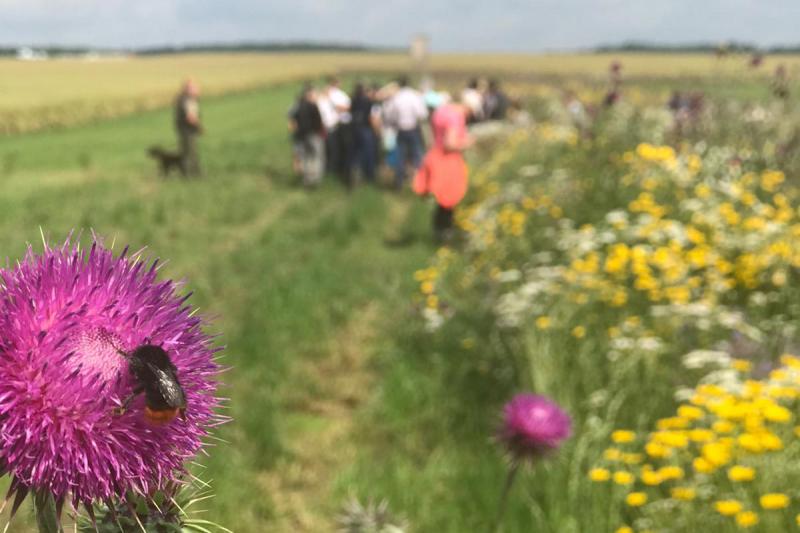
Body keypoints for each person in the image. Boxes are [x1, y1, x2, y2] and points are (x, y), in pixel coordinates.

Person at [413, 94, 474, 241]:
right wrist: (467, 143)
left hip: (435, 156)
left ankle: (438, 232)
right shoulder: (456, 117)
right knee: (449, 198)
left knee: (441, 198)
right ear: (466, 107)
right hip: (449, 161)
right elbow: (450, 143)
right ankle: (445, 234)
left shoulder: (441, 112)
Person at [384, 76, 428, 190]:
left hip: (401, 130)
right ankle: (418, 182)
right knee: (417, 155)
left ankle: (398, 182)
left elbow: (390, 116)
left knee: (400, 156)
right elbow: (422, 114)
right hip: (413, 129)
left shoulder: (396, 98)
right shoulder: (414, 96)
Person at [288, 84, 325, 188]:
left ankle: (307, 179)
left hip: (302, 136)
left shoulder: (298, 107)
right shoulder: (313, 106)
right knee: (316, 157)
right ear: (309, 95)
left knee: (306, 158)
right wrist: (320, 132)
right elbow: (319, 122)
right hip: (313, 135)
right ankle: (315, 179)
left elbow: (293, 122)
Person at [324, 77, 353, 187]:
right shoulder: (338, 94)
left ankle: (332, 169)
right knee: (338, 149)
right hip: (339, 125)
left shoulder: (326, 94)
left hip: (330, 125)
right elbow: (347, 107)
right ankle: (337, 169)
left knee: (332, 149)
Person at [350, 82, 378, 183]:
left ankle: (354, 175)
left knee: (356, 154)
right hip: (365, 129)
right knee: (368, 153)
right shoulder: (368, 101)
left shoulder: (353, 100)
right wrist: (376, 131)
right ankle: (369, 176)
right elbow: (371, 117)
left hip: (354, 129)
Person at [174, 79, 203, 177]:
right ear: (188, 89)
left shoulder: (185, 99)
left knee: (189, 152)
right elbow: (190, 117)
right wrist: (199, 127)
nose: (198, 89)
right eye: (194, 88)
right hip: (187, 130)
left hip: (185, 130)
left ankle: (193, 173)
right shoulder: (187, 100)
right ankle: (189, 174)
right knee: (189, 153)